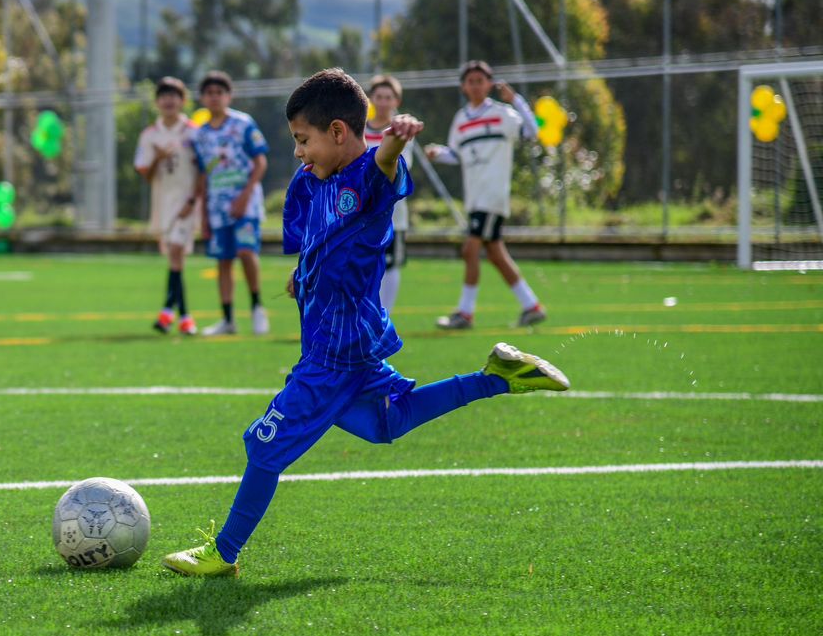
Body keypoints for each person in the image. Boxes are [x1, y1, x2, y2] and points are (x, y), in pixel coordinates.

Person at [161, 68, 571, 578]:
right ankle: (497, 378)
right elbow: (321, 243)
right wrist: (301, 274)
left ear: (337, 132)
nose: (298, 152)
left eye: (303, 139)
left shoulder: (366, 179)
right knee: (385, 423)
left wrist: (395, 140)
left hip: (334, 350)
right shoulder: (311, 184)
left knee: (264, 447)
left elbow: (380, 165)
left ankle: (223, 553)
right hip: (349, 339)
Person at [424, 60, 547, 329]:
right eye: (471, 81)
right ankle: (531, 306)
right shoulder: (461, 119)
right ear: (463, 87)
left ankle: (465, 313)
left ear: (489, 84)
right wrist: (438, 154)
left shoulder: (503, 113)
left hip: (492, 195)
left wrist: (516, 100)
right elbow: (456, 154)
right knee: (494, 254)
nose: (476, 85)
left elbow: (532, 131)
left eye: (481, 80)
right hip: (475, 197)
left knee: (470, 249)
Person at [191, 70, 270, 336]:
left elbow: (260, 161)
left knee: (247, 252)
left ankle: (258, 308)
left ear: (229, 95)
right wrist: (202, 215)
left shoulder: (243, 124)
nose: (214, 98)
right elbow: (203, 175)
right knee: (223, 261)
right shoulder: (200, 135)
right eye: (209, 93)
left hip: (244, 204)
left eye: (219, 92)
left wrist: (245, 195)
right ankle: (227, 320)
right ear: (202, 97)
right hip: (216, 207)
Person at [133, 76, 201, 335]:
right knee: (175, 259)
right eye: (163, 96)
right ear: (157, 102)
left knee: (175, 252)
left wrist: (194, 200)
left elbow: (204, 170)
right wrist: (157, 159)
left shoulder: (193, 132)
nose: (168, 100)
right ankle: (175, 314)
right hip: (164, 203)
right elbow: (146, 174)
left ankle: (177, 316)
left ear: (182, 101)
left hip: (187, 202)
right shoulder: (150, 135)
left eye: (174, 96)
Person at [364, 74, 413, 313]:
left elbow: (403, 166)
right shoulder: (358, 130)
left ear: (396, 100)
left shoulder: (401, 131)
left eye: (388, 97)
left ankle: (385, 316)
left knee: (391, 264)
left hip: (393, 213)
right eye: (378, 97)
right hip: (362, 211)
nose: (383, 102)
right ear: (370, 99)